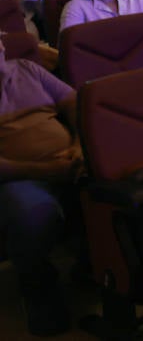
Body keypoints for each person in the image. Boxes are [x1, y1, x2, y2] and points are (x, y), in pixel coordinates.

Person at [0, 35, 81, 335]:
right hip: (17, 178)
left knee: (120, 180)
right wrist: (46, 170)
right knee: (34, 215)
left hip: (69, 161)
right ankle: (38, 289)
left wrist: (79, 144)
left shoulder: (27, 69)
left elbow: (75, 103)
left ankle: (96, 265)